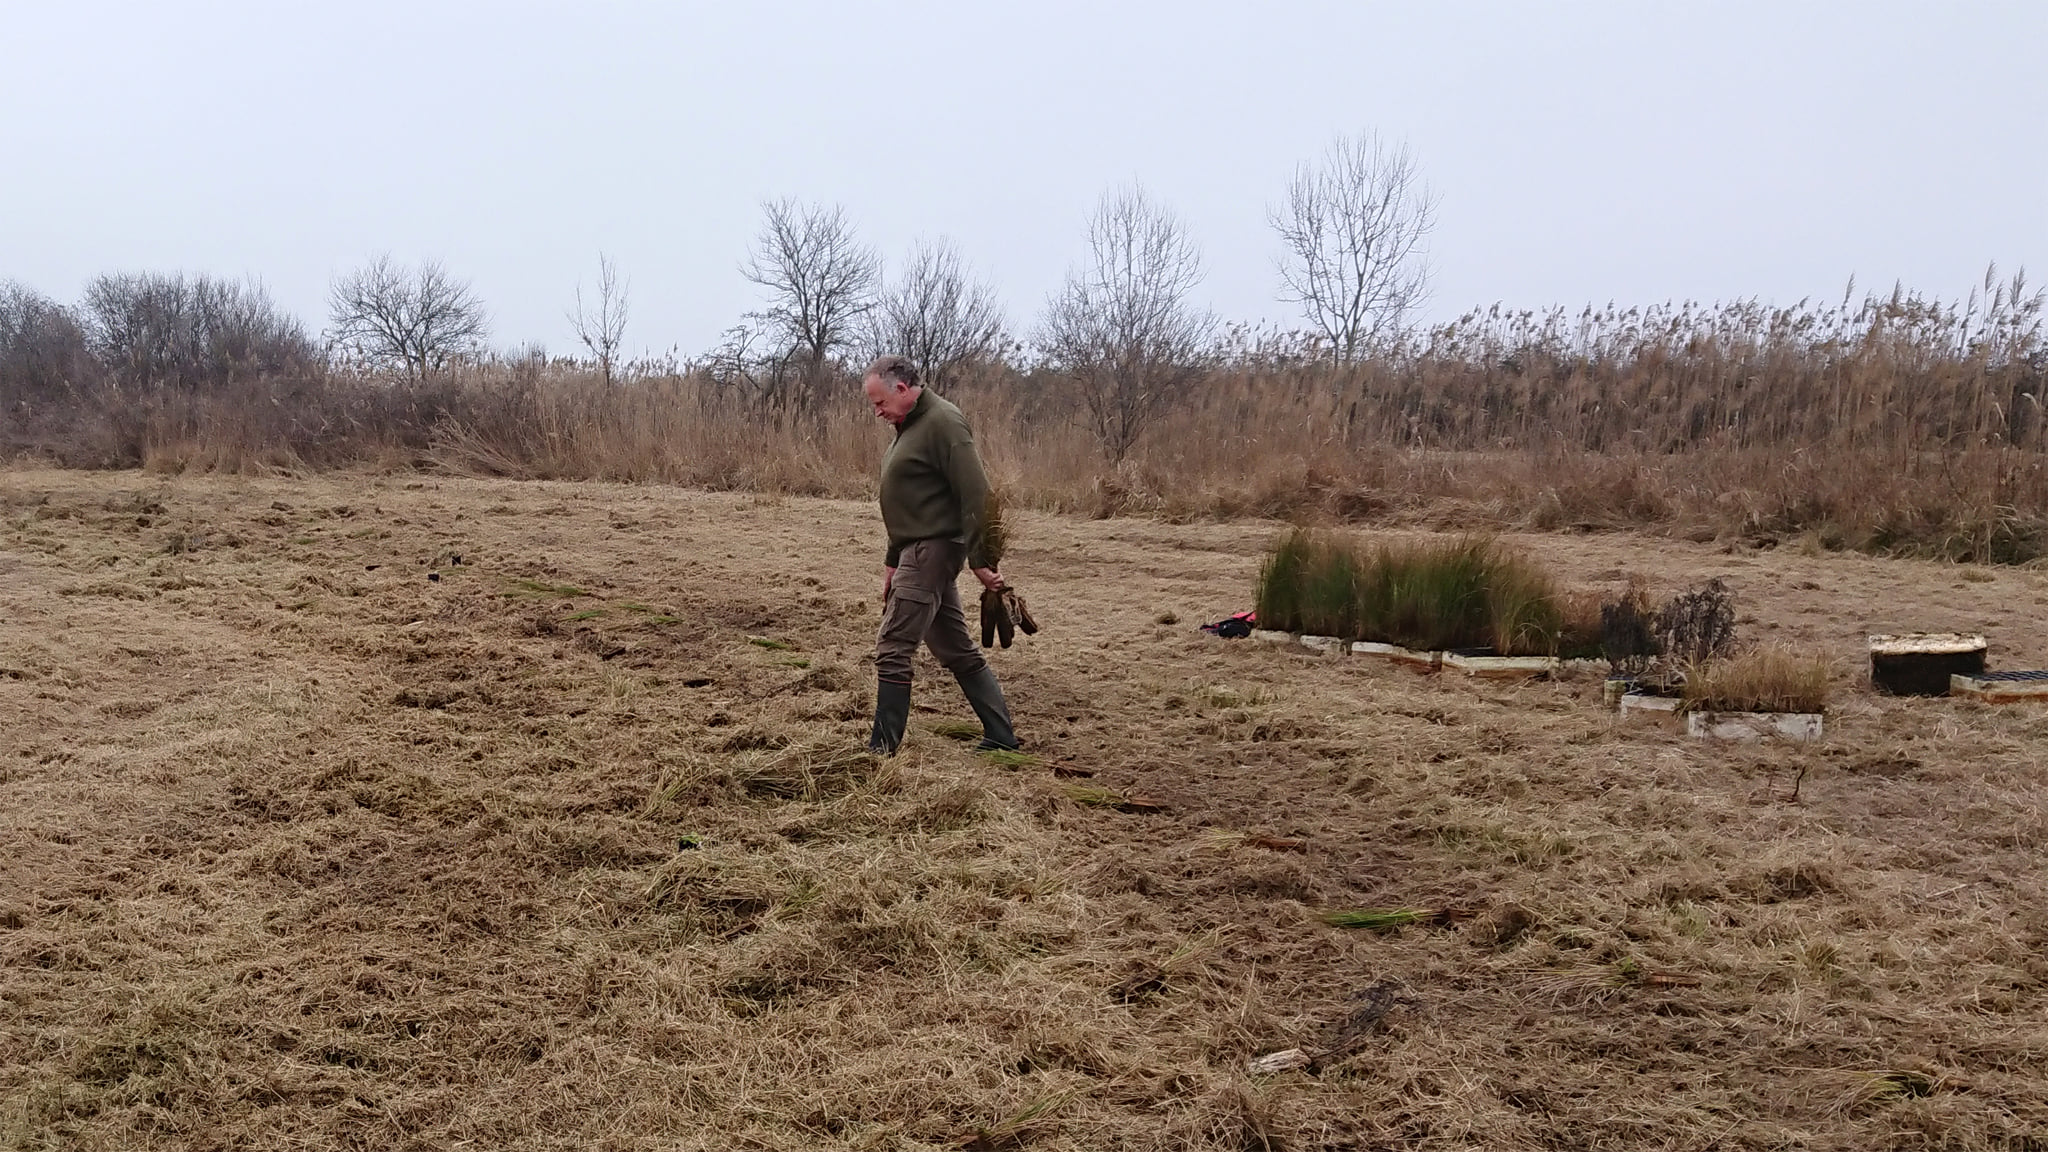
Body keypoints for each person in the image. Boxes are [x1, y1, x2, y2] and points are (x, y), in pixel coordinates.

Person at [861, 354, 1018, 755]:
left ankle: (881, 753)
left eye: (879, 403)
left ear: (901, 388)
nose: (877, 412)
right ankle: (1001, 738)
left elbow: (976, 492)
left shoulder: (943, 422)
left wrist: (982, 560)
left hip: (931, 552)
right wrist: (891, 560)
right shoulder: (910, 425)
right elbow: (910, 502)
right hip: (915, 550)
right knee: (954, 647)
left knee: (893, 648)